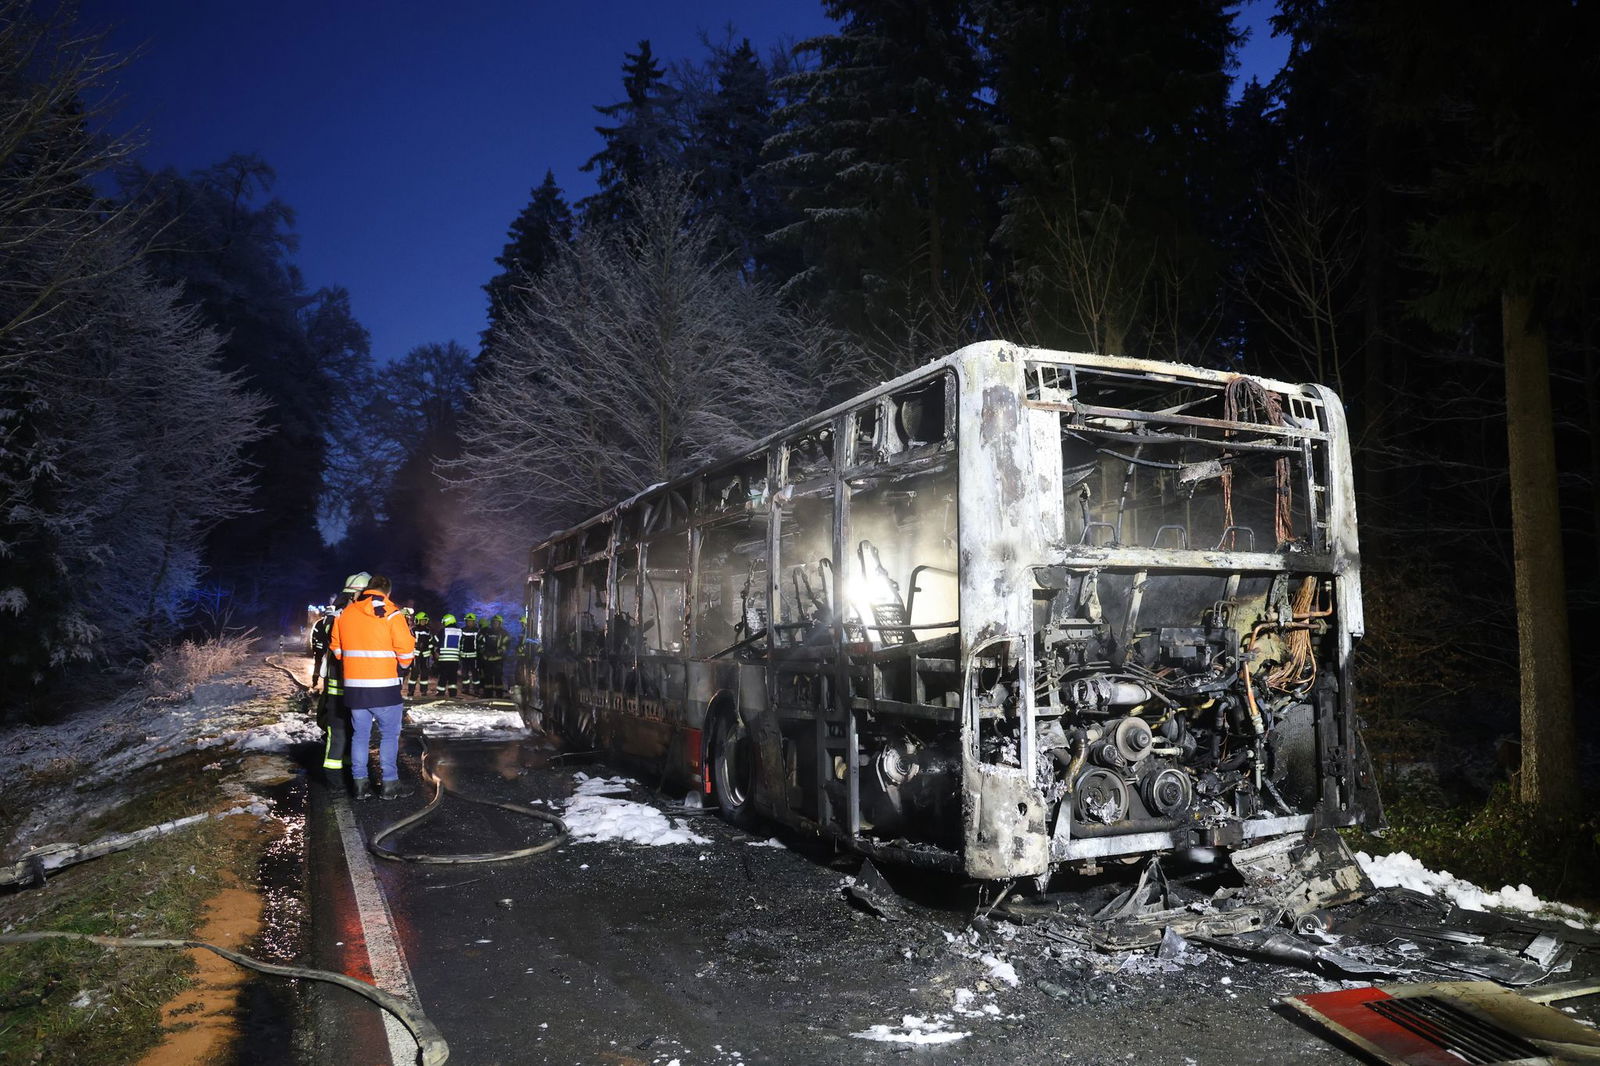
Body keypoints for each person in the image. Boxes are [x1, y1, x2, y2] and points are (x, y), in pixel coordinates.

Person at [330, 574, 416, 800]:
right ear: (387, 592)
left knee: (360, 736)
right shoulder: (391, 613)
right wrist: (402, 666)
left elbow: (337, 651)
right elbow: (406, 650)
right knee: (388, 735)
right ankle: (389, 785)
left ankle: (359, 785)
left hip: (355, 688)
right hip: (385, 687)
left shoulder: (346, 613)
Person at [319, 572, 370, 785]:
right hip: (342, 685)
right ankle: (335, 777)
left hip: (351, 684)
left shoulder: (344, 615)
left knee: (349, 729)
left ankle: (346, 772)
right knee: (340, 729)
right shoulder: (345, 616)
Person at [479, 614, 509, 699]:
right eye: (494, 622)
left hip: (498, 659)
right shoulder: (487, 631)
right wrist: (483, 651)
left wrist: (499, 651)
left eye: (497, 622)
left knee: (498, 678)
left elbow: (506, 644)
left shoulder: (504, 633)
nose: (495, 624)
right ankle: (488, 694)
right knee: (487, 678)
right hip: (487, 659)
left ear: (500, 623)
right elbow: (480, 641)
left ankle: (499, 695)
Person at [408, 610, 436, 698]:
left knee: (425, 674)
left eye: (424, 620)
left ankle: (424, 691)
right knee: (414, 673)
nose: (423, 622)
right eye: (421, 620)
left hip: (425, 655)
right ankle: (411, 691)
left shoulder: (428, 631)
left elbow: (431, 643)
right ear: (418, 621)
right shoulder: (413, 630)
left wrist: (433, 653)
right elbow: (409, 641)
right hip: (416, 655)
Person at [435, 613, 463, 700]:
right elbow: (462, 644)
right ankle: (453, 694)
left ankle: (440, 692)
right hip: (455, 658)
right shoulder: (460, 631)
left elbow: (435, 641)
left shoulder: (443, 631)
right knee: (453, 677)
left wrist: (436, 651)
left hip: (444, 658)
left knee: (443, 676)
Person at [308, 608, 334, 689]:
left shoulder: (319, 623)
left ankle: (315, 683)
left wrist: (313, 648)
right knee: (328, 667)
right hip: (329, 650)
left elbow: (313, 637)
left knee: (318, 666)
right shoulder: (335, 622)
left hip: (320, 650)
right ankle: (322, 684)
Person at [459, 612, 480, 697]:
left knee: (475, 673)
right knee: (464, 673)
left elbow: (480, 643)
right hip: (464, 656)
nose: (469, 622)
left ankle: (476, 689)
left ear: (474, 622)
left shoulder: (477, 631)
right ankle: (465, 688)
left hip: (474, 656)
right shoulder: (462, 630)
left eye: (471, 621)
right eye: (468, 621)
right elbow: (460, 642)